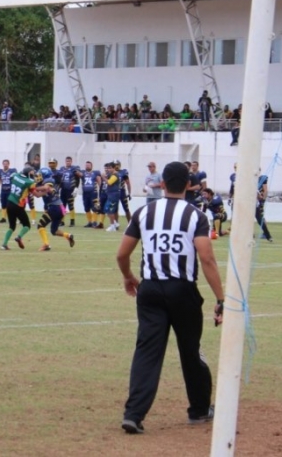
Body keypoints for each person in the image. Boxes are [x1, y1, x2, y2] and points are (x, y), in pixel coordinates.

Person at [116, 161, 225, 434]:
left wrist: (129, 276)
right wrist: (221, 298)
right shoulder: (196, 216)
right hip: (182, 290)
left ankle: (134, 414)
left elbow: (121, 254)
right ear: (189, 185)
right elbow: (207, 258)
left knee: (147, 352)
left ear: (162, 184)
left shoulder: (143, 213)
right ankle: (199, 410)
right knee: (191, 350)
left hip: (150, 289)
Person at [35, 167, 75, 251]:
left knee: (40, 225)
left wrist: (34, 188)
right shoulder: (44, 183)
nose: (38, 177)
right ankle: (68, 235)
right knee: (54, 231)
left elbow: (46, 188)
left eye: (40, 175)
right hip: (60, 208)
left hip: (55, 207)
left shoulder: (49, 180)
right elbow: (38, 195)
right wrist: (31, 190)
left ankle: (46, 244)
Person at [1, 167, 37, 249]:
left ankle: (4, 244)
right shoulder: (29, 182)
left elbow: (14, 178)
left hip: (9, 202)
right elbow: (36, 194)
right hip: (18, 205)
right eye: (31, 173)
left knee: (12, 226)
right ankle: (19, 237)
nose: (33, 174)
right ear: (28, 173)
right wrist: (45, 191)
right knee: (27, 225)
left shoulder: (15, 175)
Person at [59, 156, 82, 227]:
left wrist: (76, 188)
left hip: (70, 189)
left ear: (71, 162)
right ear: (65, 161)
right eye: (67, 161)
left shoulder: (74, 169)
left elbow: (78, 178)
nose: (68, 162)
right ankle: (62, 221)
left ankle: (72, 221)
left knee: (71, 205)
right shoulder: (62, 169)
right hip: (63, 189)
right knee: (62, 206)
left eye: (69, 161)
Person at [80, 161, 102, 228]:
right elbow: (77, 174)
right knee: (86, 208)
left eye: (88, 165)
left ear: (91, 166)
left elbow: (99, 182)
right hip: (85, 193)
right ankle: (89, 222)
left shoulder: (95, 173)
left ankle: (94, 222)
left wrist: (101, 191)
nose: (87, 166)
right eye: (86, 165)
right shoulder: (83, 173)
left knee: (95, 207)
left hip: (93, 192)